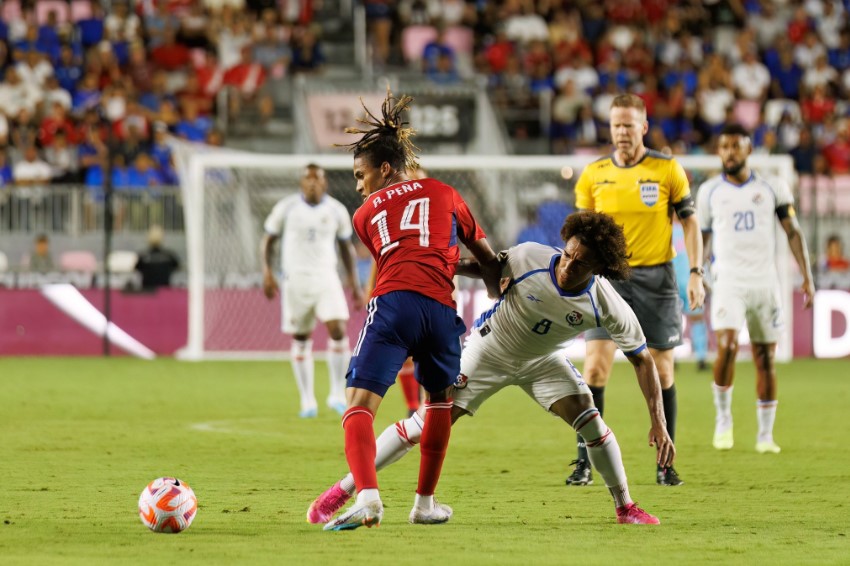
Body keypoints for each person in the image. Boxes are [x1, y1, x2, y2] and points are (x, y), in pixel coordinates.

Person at [308, 211, 674, 526]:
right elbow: (482, 267)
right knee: (424, 425)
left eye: (580, 263)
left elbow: (642, 359)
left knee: (592, 423)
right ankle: (342, 490)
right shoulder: (530, 256)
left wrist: (658, 421)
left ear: (599, 268)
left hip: (542, 361)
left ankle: (625, 506)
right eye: (567, 255)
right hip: (489, 349)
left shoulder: (605, 302)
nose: (567, 265)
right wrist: (440, 264)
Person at [321, 91, 501, 531]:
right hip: (442, 310)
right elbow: (486, 255)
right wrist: (498, 288)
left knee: (358, 406)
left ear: (385, 169)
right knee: (439, 402)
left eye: (361, 174)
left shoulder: (362, 215)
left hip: (395, 301)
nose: (358, 185)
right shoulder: (445, 191)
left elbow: (396, 259)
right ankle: (424, 504)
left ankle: (367, 498)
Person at [568, 93, 705, 487]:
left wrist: (695, 271)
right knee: (594, 367)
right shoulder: (593, 173)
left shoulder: (667, 169)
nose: (622, 132)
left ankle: (665, 463)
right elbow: (580, 231)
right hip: (606, 280)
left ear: (643, 127)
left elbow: (690, 223)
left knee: (662, 370)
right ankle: (584, 461)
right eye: (616, 126)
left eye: (629, 125)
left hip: (656, 280)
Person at [698, 123, 815, 454]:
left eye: (736, 146)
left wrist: (807, 276)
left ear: (749, 149)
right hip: (728, 281)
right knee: (728, 345)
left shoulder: (772, 186)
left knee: (765, 358)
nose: (730, 152)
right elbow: (703, 237)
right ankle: (724, 418)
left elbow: (793, 232)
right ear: (718, 151)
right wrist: (697, 272)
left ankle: (765, 436)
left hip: (765, 283)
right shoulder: (709, 192)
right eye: (724, 146)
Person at [261, 163, 364, 419]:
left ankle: (337, 394)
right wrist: (266, 272)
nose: (312, 183)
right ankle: (307, 400)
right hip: (295, 279)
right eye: (308, 179)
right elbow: (267, 241)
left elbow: (345, 248)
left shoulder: (336, 210)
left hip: (326, 277)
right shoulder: (286, 208)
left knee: (338, 329)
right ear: (301, 183)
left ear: (325, 183)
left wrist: (354, 282)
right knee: (301, 337)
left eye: (317, 179)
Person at [672, 220, 709, 371]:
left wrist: (703, 277)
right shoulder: (665, 228)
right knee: (672, 321)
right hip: (672, 281)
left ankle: (701, 358)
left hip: (690, 281)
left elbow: (701, 254)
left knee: (697, 318)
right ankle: (671, 357)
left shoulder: (692, 227)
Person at [135, 225, 180, 290]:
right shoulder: (169, 255)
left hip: (147, 291)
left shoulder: (143, 256)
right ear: (162, 238)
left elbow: (137, 268)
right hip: (165, 291)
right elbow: (176, 266)